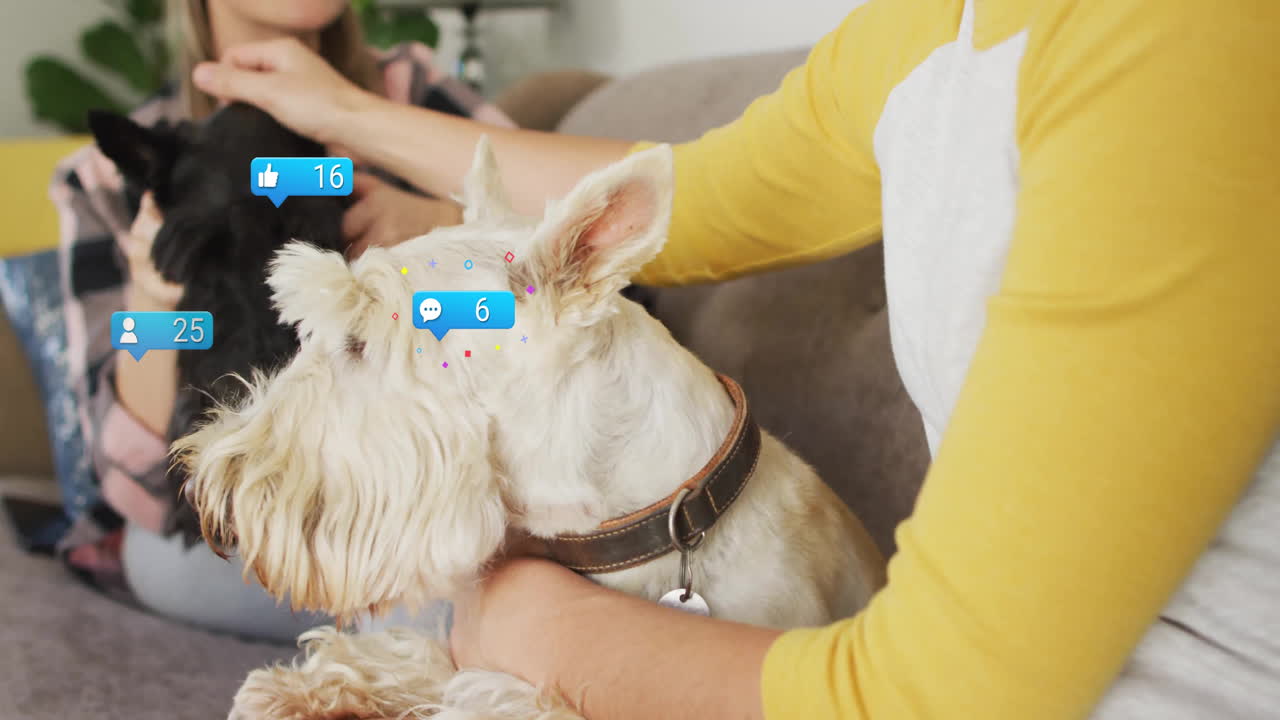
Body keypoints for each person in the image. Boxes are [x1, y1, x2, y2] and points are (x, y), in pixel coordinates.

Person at [190, 0, 1279, 717]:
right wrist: (324, 125)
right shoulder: (929, 30)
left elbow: (940, 695)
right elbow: (692, 194)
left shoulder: (1179, 39)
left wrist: (539, 626)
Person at [50, 0, 514, 642]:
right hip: (220, 534)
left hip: (421, 496)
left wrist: (442, 223)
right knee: (454, 610)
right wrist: (153, 302)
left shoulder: (411, 94)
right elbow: (139, 481)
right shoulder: (107, 174)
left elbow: (577, 271)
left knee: (475, 597)